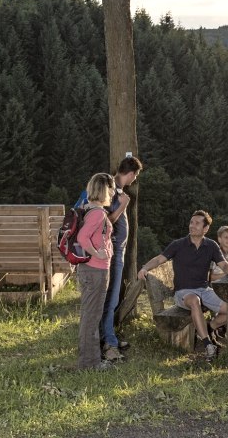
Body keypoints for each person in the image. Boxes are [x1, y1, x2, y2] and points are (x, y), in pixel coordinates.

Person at [137, 210, 228, 363]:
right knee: (194, 301)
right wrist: (145, 267)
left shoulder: (211, 245)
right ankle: (208, 345)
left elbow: (224, 266)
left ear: (205, 229)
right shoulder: (178, 245)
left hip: (204, 290)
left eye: (197, 223)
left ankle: (209, 328)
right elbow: (159, 259)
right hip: (183, 293)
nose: (192, 226)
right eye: (191, 222)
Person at [100, 155, 143, 362]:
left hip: (116, 251)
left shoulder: (116, 189)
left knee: (112, 297)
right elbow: (104, 221)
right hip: (112, 252)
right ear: (132, 174)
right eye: (135, 176)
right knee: (111, 298)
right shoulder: (110, 189)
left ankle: (109, 336)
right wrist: (124, 205)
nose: (134, 180)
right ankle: (108, 341)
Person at [76, 173, 115, 370]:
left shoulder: (88, 209)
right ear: (103, 190)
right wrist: (97, 254)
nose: (113, 192)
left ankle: (89, 360)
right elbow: (83, 238)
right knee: (92, 317)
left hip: (89, 270)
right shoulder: (98, 213)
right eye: (111, 188)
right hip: (95, 270)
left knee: (89, 316)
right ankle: (90, 364)